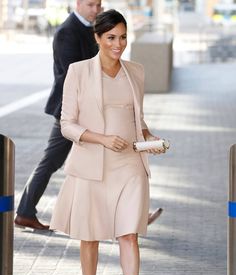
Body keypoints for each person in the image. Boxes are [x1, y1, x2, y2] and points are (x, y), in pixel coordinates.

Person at [50, 9, 165, 275]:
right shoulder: (79, 72)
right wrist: (101, 139)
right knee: (90, 237)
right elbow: (66, 123)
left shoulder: (136, 72)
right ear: (97, 38)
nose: (118, 44)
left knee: (129, 235)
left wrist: (150, 139)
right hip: (92, 166)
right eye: (111, 37)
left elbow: (137, 122)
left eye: (123, 37)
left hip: (130, 164)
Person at [14, 0, 162, 231]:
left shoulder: (92, 29)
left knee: (108, 162)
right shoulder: (66, 32)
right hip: (74, 112)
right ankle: (24, 212)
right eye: (91, 5)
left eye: (99, 5)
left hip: (97, 112)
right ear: (78, 4)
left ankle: (133, 214)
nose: (96, 9)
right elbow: (72, 77)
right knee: (52, 161)